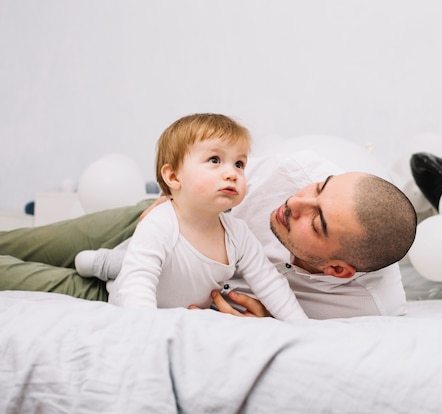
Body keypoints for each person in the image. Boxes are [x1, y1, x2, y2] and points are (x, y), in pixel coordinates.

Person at [0, 133, 418, 320]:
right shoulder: (295, 170)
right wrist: (168, 200)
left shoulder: (369, 308)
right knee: (20, 242)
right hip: (157, 221)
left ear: (339, 270)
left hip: (154, 291)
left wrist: (267, 323)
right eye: (318, 189)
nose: (295, 203)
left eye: (318, 221)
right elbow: (212, 172)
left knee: (8, 273)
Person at [72, 113, 307, 322]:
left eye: (239, 164)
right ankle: (102, 263)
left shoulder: (238, 233)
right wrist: (144, 328)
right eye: (215, 160)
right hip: (132, 292)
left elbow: (269, 281)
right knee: (132, 270)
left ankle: (111, 261)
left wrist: (300, 324)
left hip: (177, 291)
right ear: (173, 177)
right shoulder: (160, 222)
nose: (232, 174)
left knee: (150, 261)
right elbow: (139, 282)